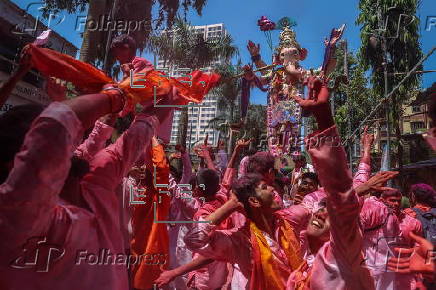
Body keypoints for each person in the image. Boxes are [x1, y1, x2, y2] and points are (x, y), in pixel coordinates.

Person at [0, 74, 172, 290]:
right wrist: (116, 96)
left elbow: (137, 134)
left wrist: (169, 94)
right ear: (14, 165)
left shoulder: (95, 181)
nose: (71, 136)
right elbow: (54, 128)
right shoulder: (14, 220)